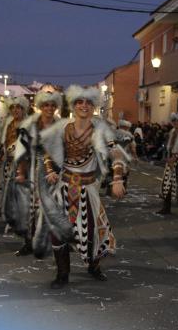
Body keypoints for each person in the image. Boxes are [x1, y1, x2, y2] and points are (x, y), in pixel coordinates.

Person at [39, 85, 127, 289]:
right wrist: (50, 170)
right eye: (79, 102)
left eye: (88, 102)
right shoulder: (62, 128)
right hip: (64, 187)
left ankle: (93, 267)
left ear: (94, 106)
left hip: (88, 189)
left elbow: (117, 155)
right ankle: (63, 274)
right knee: (58, 231)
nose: (84, 106)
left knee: (91, 232)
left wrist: (118, 179)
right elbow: (48, 152)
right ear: (73, 105)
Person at [5, 90, 62, 256]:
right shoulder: (30, 125)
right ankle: (29, 243)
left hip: (56, 172)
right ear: (40, 107)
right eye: (46, 105)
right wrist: (21, 172)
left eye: (52, 105)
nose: (49, 108)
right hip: (33, 170)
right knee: (30, 209)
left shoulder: (60, 125)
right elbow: (21, 151)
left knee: (54, 208)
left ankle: (54, 242)